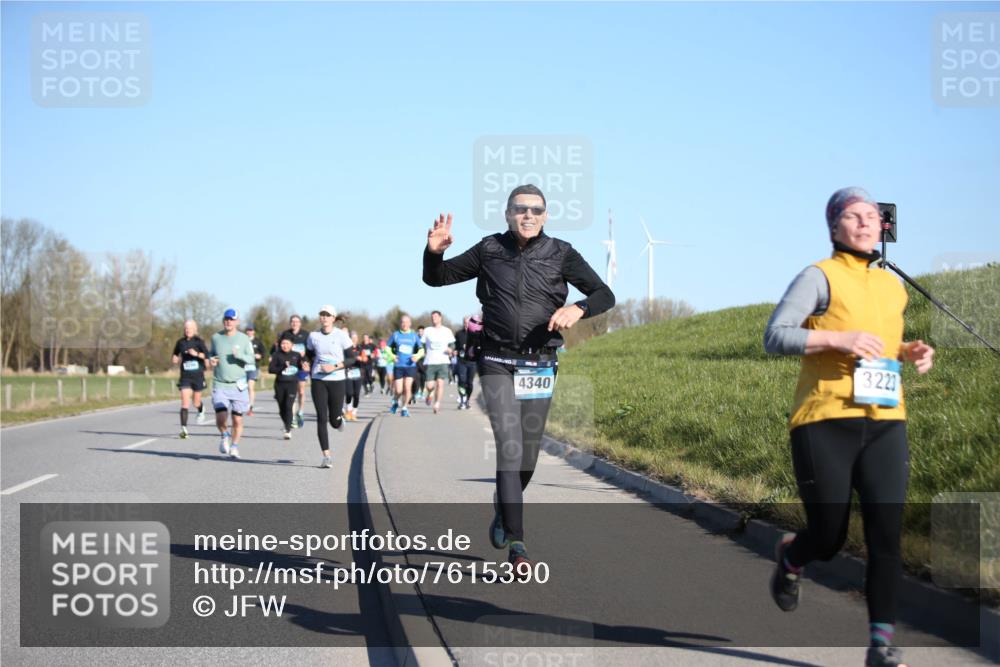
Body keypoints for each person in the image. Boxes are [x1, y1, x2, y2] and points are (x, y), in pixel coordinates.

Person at [764, 187, 935, 667]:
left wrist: (910, 352)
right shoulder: (818, 277)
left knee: (886, 535)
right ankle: (793, 558)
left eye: (873, 216)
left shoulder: (892, 286)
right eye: (853, 216)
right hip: (825, 421)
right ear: (834, 226)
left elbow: (880, 345)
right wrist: (838, 338)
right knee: (830, 535)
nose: (866, 222)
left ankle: (881, 645)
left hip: (885, 422)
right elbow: (775, 335)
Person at [423, 184, 615, 572]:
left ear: (545, 216)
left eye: (536, 210)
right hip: (495, 359)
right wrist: (433, 253)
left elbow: (604, 294)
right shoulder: (489, 249)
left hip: (540, 363)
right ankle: (519, 545)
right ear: (507, 214)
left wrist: (578, 308)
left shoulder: (562, 253)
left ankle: (503, 509)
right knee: (509, 448)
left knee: (527, 454)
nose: (528, 215)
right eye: (520, 209)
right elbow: (436, 278)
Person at [306, 305, 356, 468]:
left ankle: (339, 418)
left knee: (334, 421)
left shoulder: (341, 336)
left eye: (327, 315)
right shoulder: (313, 336)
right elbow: (309, 355)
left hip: (337, 380)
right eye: (322, 314)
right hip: (318, 380)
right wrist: (306, 363)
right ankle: (326, 456)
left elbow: (351, 359)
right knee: (321, 417)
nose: (324, 317)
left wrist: (334, 367)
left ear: (333, 318)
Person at [208, 308, 256, 460]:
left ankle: (234, 446)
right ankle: (224, 435)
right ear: (224, 321)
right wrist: (211, 360)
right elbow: (212, 354)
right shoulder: (216, 337)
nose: (228, 322)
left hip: (238, 386)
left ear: (237, 322)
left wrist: (239, 355)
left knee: (237, 419)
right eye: (226, 319)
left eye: (231, 319)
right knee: (221, 417)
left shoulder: (243, 339)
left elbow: (251, 359)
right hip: (220, 383)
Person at [171, 319, 209, 438]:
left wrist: (196, 354)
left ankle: (201, 409)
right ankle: (184, 430)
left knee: (196, 402)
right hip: (185, 377)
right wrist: (175, 358)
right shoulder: (180, 342)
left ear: (195, 329)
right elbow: (175, 353)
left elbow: (207, 356)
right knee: (185, 403)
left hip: (198, 376)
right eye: (186, 328)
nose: (188, 330)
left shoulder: (199, 342)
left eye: (190, 328)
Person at [268, 333, 307, 439]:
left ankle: (288, 430)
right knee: (282, 409)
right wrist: (282, 367)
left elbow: (300, 367)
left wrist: (305, 368)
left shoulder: (296, 355)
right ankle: (287, 423)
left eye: (287, 343)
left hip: (292, 384)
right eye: (283, 343)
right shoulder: (276, 355)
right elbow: (271, 369)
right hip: (279, 384)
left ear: (292, 344)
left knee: (289, 406)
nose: (284, 345)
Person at [276, 315, 310, 428]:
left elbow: (310, 350)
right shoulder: (286, 334)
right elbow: (280, 349)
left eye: (297, 321)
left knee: (301, 391)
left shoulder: (306, 335)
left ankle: (300, 411)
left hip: (301, 365)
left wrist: (307, 361)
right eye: (293, 321)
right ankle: (293, 417)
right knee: (292, 393)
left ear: (300, 323)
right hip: (290, 366)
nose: (295, 323)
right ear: (290, 323)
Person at [421, 310, 456, 414]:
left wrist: (450, 349)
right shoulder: (427, 330)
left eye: (436, 317)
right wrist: (423, 352)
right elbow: (422, 343)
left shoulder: (447, 331)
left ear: (440, 318)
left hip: (443, 360)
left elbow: (452, 344)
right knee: (429, 386)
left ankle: (437, 403)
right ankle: (430, 394)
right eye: (432, 317)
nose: (434, 318)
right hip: (430, 361)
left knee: (440, 384)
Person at [387, 315, 423, 417]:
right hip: (398, 365)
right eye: (403, 322)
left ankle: (404, 407)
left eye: (407, 322)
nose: (405, 324)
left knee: (407, 388)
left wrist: (417, 356)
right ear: (400, 323)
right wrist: (392, 356)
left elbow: (421, 349)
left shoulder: (414, 336)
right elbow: (387, 348)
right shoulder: (396, 335)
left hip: (410, 366)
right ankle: (395, 401)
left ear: (410, 323)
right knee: (398, 390)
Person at [453, 314, 482, 410]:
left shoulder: (478, 334)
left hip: (472, 362)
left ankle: (467, 400)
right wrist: (455, 350)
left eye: (468, 323)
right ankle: (462, 400)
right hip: (461, 361)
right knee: (462, 381)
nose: (466, 325)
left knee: (469, 383)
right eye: (465, 323)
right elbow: (455, 346)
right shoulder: (458, 334)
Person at [245, 324, 266, 416]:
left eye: (251, 330)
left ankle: (250, 407)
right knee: (242, 388)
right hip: (242, 367)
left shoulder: (257, 342)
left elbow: (264, 353)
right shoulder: (242, 341)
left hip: (253, 367)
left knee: (250, 387)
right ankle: (242, 405)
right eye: (248, 330)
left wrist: (259, 356)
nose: (249, 332)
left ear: (254, 331)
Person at [343, 331, 364, 421]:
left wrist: (362, 359)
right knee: (349, 393)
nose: (354, 339)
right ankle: (348, 410)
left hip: (358, 373)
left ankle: (354, 412)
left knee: (356, 394)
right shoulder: (346, 348)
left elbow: (366, 358)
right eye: (352, 338)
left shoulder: (360, 348)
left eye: (355, 338)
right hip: (348, 372)